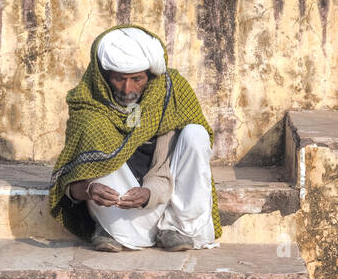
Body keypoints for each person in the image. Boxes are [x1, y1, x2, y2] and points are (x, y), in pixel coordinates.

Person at [49, 25, 222, 252]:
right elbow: (69, 183)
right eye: (119, 79)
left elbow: (169, 168)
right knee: (96, 130)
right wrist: (89, 189)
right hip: (117, 211)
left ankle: (178, 229)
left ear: (150, 76)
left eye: (137, 79)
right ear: (104, 77)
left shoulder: (172, 93)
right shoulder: (88, 106)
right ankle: (108, 230)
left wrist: (149, 193)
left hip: (164, 204)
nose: (127, 88)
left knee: (196, 133)